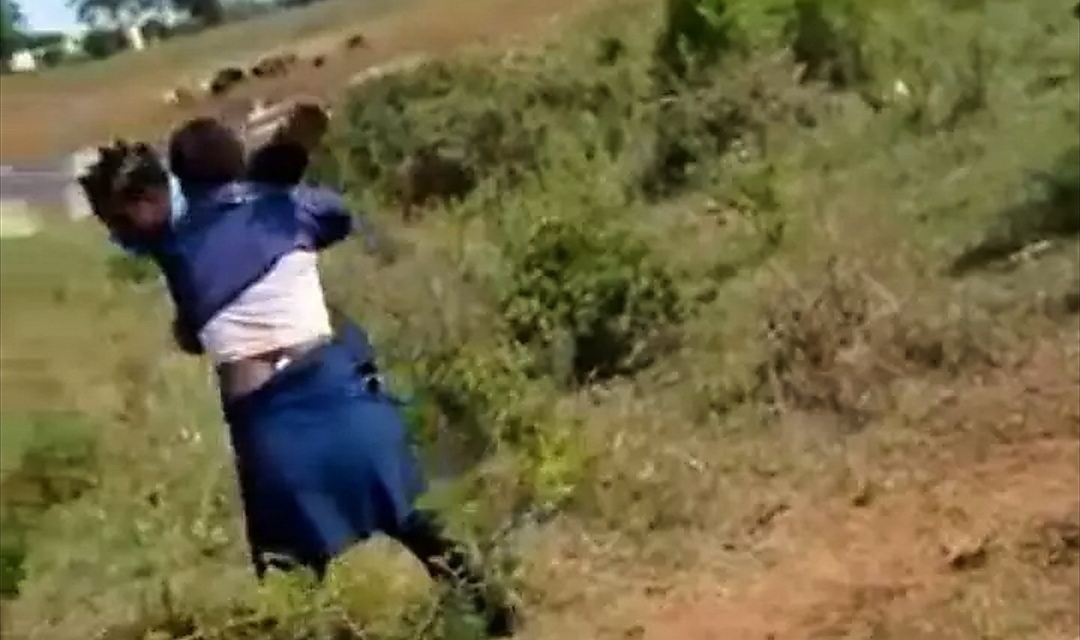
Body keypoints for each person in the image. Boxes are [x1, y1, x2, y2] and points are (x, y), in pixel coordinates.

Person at [77, 124, 517, 637]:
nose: (118, 235)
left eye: (118, 220)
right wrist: (274, 191)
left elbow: (195, 321)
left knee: (287, 573)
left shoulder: (172, 244)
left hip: (275, 425)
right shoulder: (287, 206)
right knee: (410, 514)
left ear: (152, 196)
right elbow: (336, 215)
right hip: (342, 393)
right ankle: (496, 616)